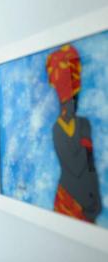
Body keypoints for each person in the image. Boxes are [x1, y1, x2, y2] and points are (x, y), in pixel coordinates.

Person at [46, 44, 101, 222]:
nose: (72, 103)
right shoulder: (58, 129)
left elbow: (89, 164)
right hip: (69, 199)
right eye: (68, 99)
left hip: (79, 197)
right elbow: (79, 165)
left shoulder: (82, 124)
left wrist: (95, 198)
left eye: (73, 98)